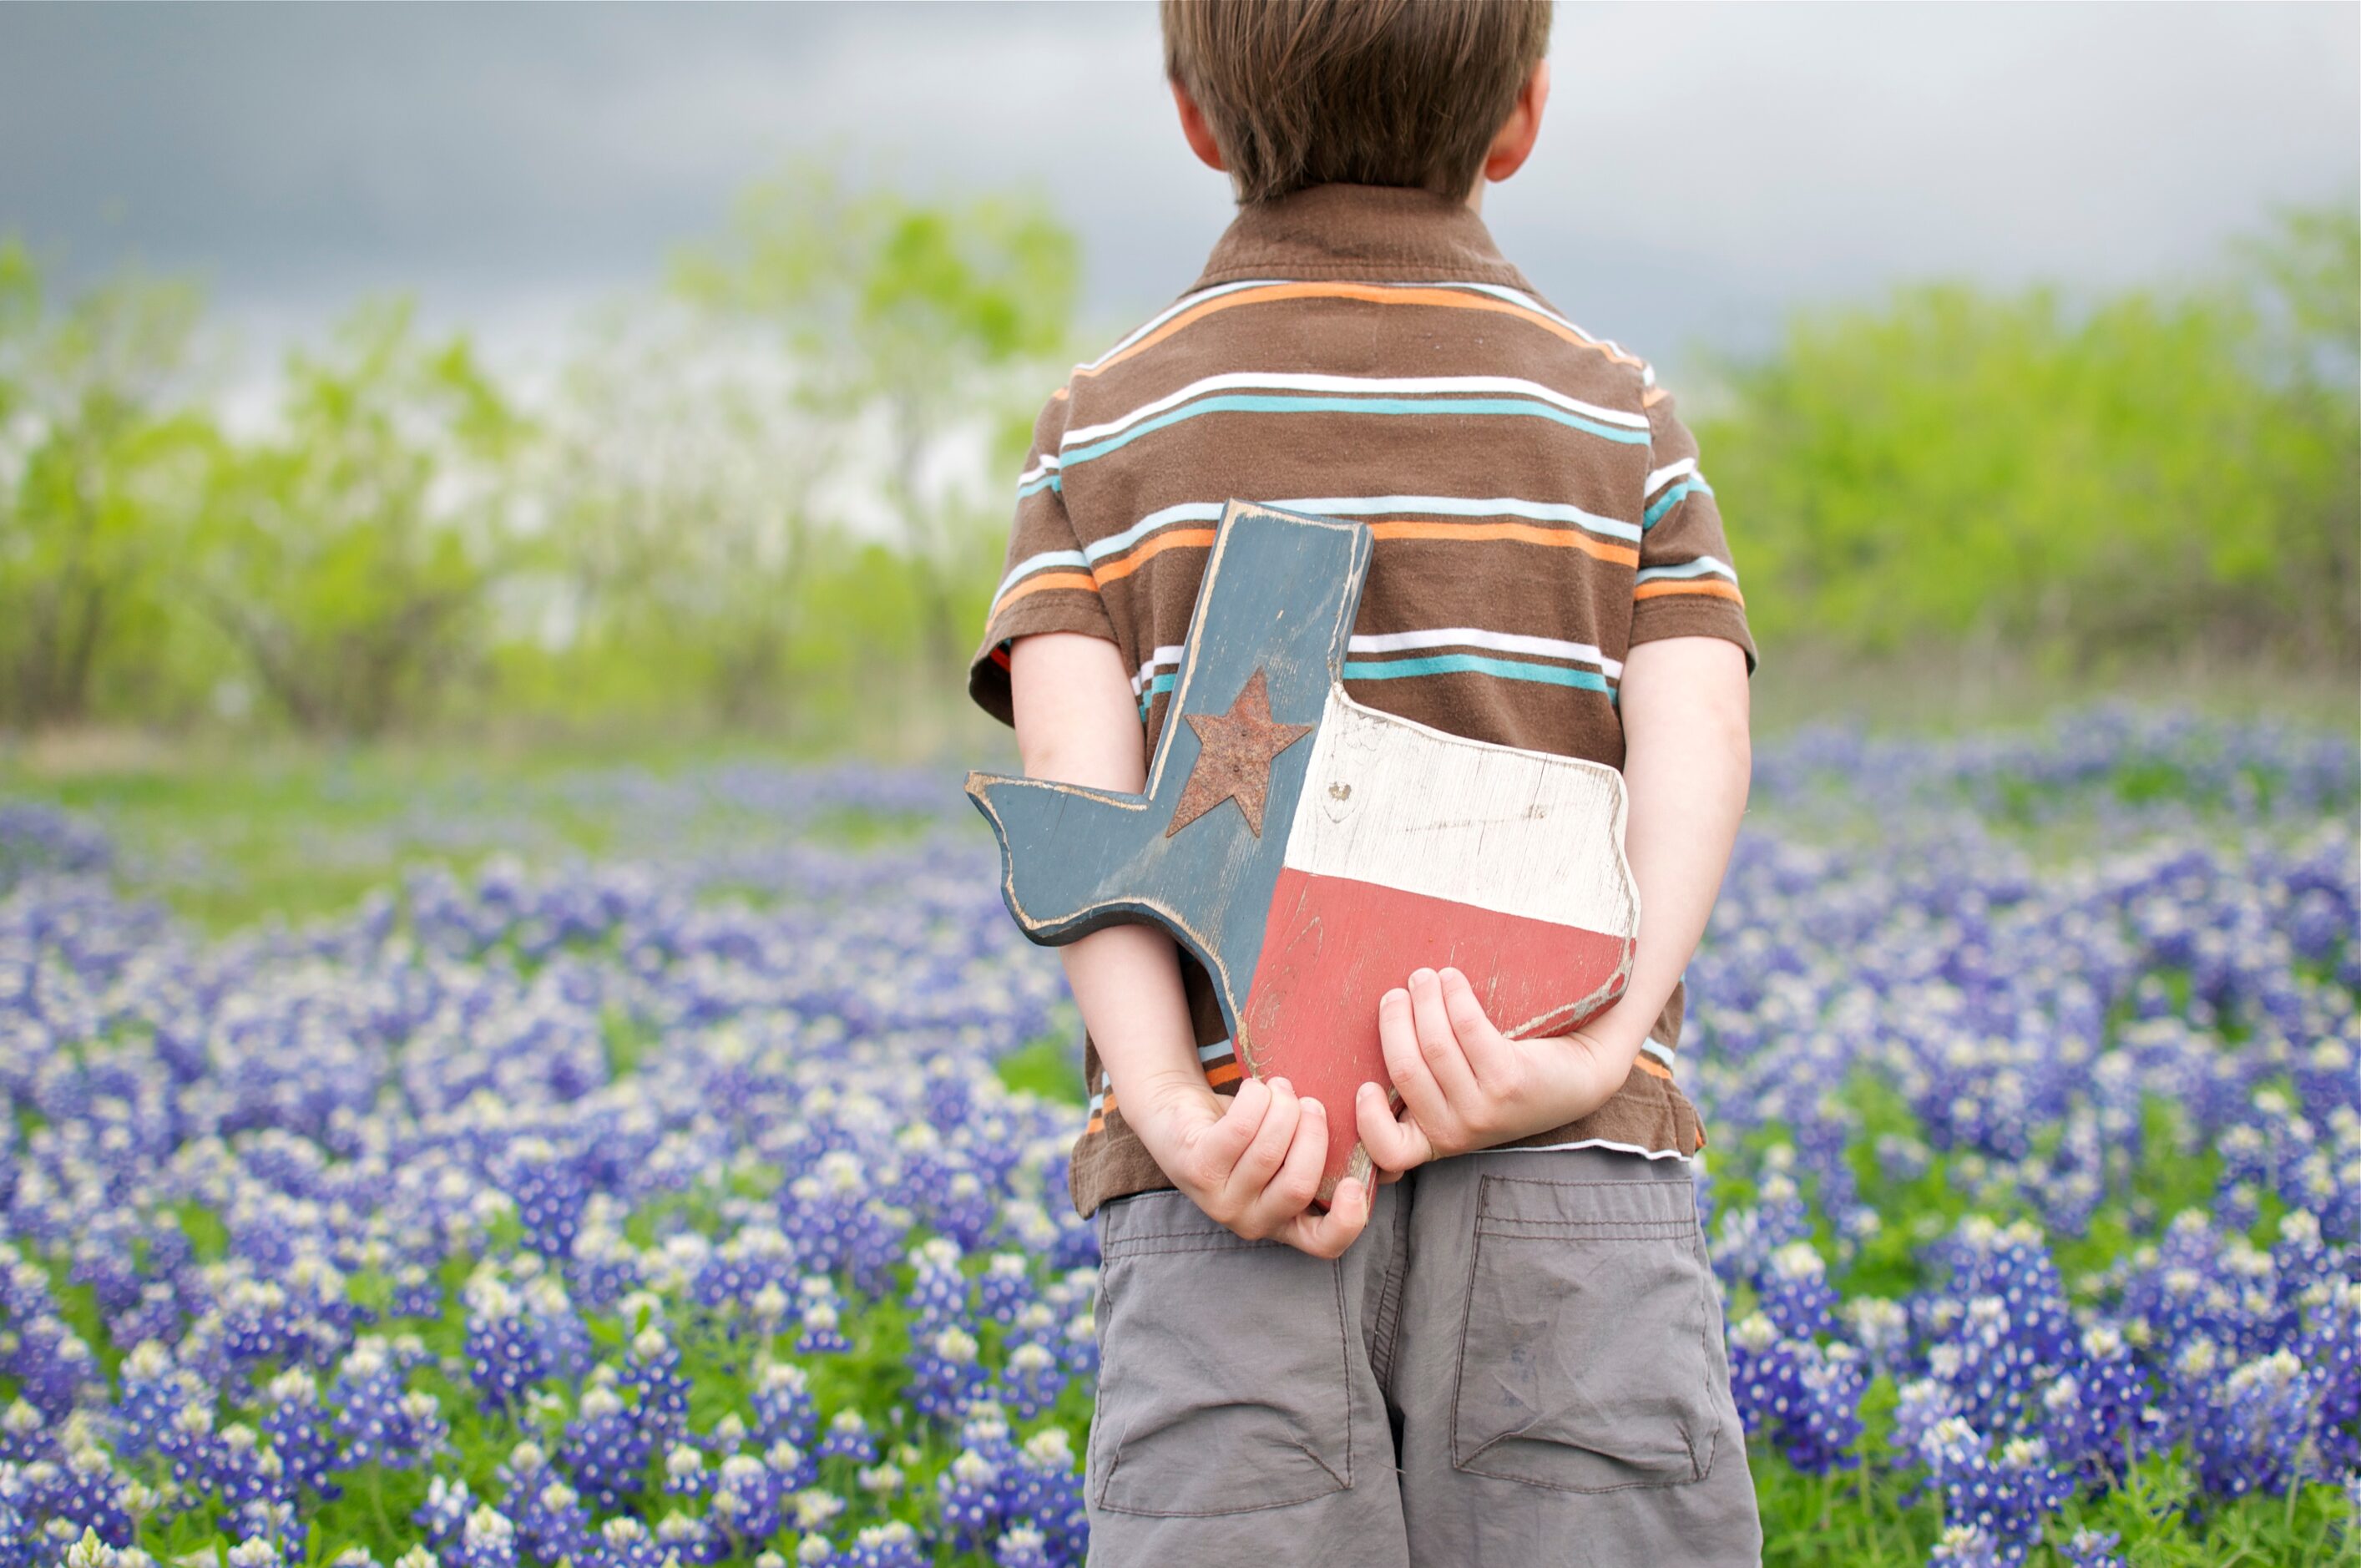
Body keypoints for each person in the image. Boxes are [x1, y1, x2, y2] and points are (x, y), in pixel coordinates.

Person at [966, 3, 1761, 1561]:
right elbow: (1700, 738)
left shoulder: (1099, 432)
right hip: (1561, 1143)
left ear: (1196, 114)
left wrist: (1172, 1108)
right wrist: (1595, 1043)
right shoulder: (1620, 422)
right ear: (1520, 115)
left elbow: (1083, 786)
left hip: (1246, 1165)